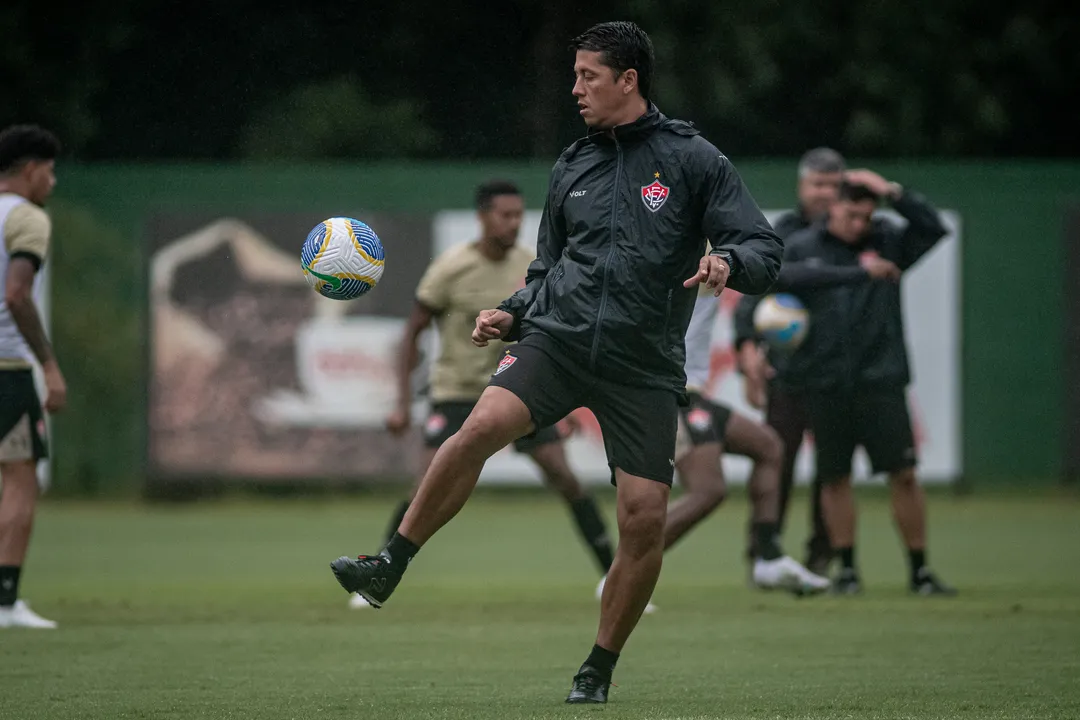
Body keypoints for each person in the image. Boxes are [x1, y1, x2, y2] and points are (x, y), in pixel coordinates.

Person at [330, 21, 783, 704]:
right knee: (477, 428)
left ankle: (596, 669)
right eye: (573, 76)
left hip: (642, 366)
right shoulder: (573, 164)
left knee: (643, 519)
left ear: (628, 80)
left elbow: (764, 249)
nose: (575, 90)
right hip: (559, 341)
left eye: (588, 77)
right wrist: (512, 311)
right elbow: (549, 270)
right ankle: (390, 562)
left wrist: (729, 260)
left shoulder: (693, 160)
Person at [348, 179, 622, 609]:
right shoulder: (450, 267)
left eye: (518, 215)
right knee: (426, 482)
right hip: (458, 393)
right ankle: (380, 570)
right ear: (482, 217)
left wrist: (563, 402)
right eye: (505, 214)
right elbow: (412, 333)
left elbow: (553, 332)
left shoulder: (530, 264)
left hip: (519, 388)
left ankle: (613, 574)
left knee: (563, 476)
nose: (514, 223)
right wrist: (402, 403)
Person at [775, 173, 956, 596]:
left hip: (881, 378)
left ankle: (919, 570)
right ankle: (849, 571)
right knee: (834, 477)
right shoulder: (804, 247)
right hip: (825, 381)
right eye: (851, 215)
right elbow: (778, 284)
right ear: (831, 207)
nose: (860, 224)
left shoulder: (888, 240)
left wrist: (894, 191)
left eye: (867, 215)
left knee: (904, 473)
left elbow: (933, 228)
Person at [662, 281, 829, 594]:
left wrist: (747, 350)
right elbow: (771, 268)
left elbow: (759, 271)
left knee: (768, 447)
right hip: (670, 392)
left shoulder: (715, 255)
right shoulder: (680, 254)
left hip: (693, 392)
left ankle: (767, 558)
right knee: (708, 491)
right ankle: (623, 569)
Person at [732, 147, 845, 574]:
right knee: (776, 460)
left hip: (837, 374)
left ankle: (823, 553)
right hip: (789, 373)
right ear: (803, 185)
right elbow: (752, 297)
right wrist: (747, 350)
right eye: (819, 184)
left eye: (834, 186)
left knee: (832, 471)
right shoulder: (781, 233)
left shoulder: (853, 236)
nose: (826, 194)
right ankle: (765, 550)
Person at [0, 125, 65, 629]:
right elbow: (17, 295)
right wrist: (48, 364)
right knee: (19, 481)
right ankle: (5, 601)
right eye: (49, 170)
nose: (53, 181)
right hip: (8, 369)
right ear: (29, 170)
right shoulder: (27, 219)